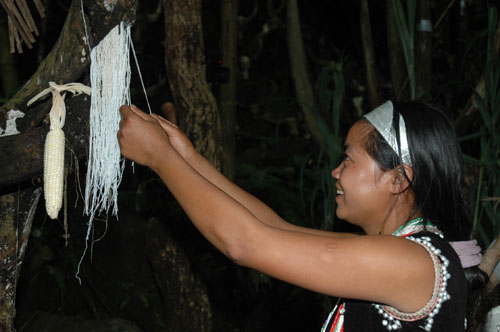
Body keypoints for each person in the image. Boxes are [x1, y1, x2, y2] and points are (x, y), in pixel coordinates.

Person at [117, 100, 488, 331]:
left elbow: (246, 243)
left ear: (397, 179)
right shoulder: (401, 250)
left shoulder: (412, 262)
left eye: (348, 158)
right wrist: (186, 157)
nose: (336, 172)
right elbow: (274, 228)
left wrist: (160, 159)